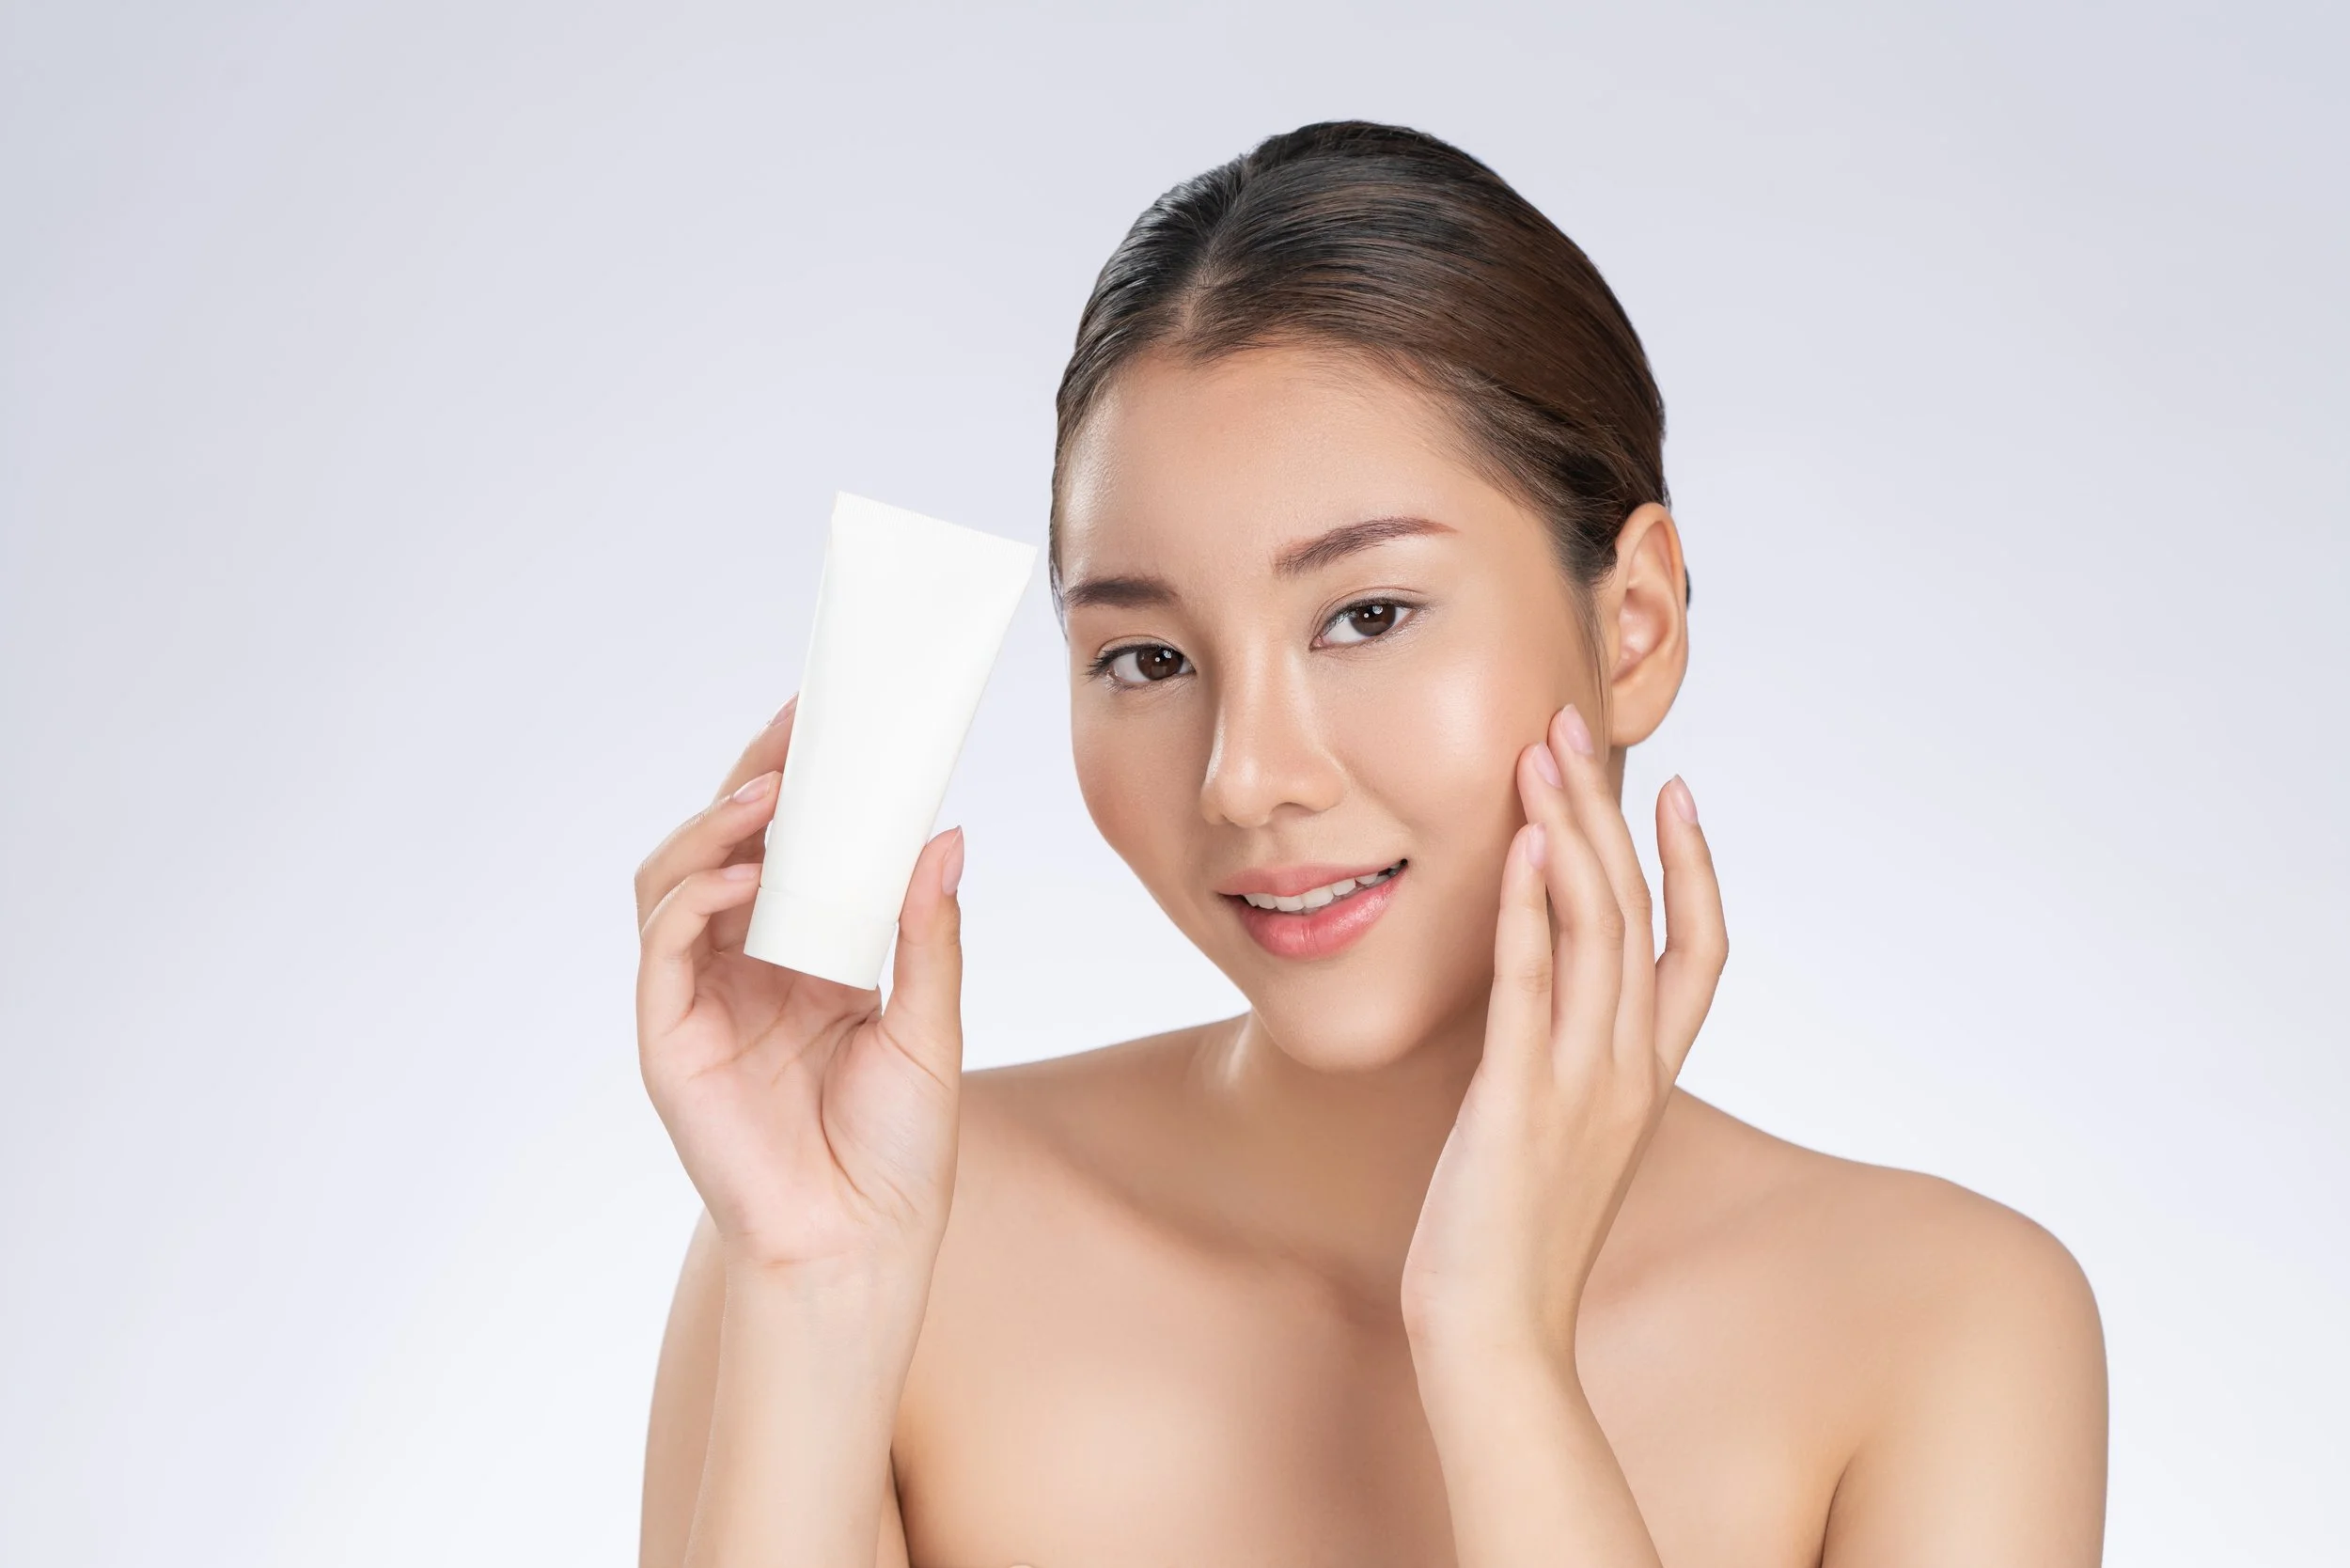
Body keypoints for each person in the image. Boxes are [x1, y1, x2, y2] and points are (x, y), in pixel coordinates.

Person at [632, 121, 2108, 1567]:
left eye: (1366, 616)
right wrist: (817, 1289)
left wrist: (1496, 1347)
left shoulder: (1941, 1325)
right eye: (1148, 659)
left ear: (1635, 627)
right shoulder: (870, 1238)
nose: (1247, 778)